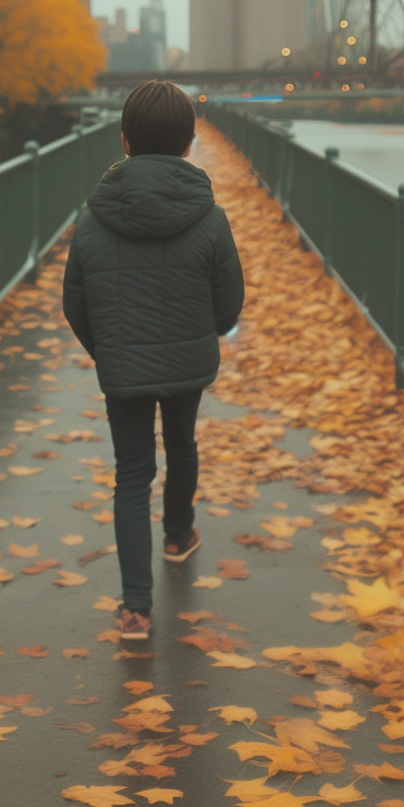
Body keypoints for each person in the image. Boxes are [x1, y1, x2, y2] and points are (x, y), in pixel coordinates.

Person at [62, 81, 244, 638]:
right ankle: (178, 534)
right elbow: (230, 301)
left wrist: (109, 348)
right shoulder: (210, 220)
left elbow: (75, 303)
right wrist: (202, 334)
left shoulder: (93, 221)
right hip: (188, 362)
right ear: (191, 143)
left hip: (123, 372)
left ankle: (136, 608)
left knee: (132, 473)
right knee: (183, 443)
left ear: (124, 141)